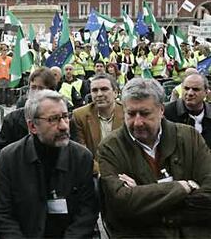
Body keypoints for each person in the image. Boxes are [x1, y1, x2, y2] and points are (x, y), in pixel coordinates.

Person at [99, 78, 211, 237]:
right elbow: (121, 204)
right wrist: (182, 187)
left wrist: (143, 196)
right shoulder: (111, 147)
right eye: (131, 114)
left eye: (145, 114)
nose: (137, 122)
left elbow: (208, 195)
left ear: (161, 110)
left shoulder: (189, 137)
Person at [0, 90, 99, 238]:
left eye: (65, 117)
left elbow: (87, 213)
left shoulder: (82, 157)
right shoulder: (9, 158)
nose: (63, 126)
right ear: (32, 127)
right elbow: (2, 214)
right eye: (53, 119)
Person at [72, 73, 124, 172]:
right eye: (94, 90)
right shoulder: (79, 116)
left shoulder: (128, 113)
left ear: (115, 93)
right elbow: (82, 154)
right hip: (96, 173)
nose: (99, 94)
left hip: (126, 171)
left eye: (104, 89)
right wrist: (104, 173)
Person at [165, 73, 211, 147]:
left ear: (206, 92)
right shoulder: (166, 113)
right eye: (186, 88)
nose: (190, 93)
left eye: (196, 89)